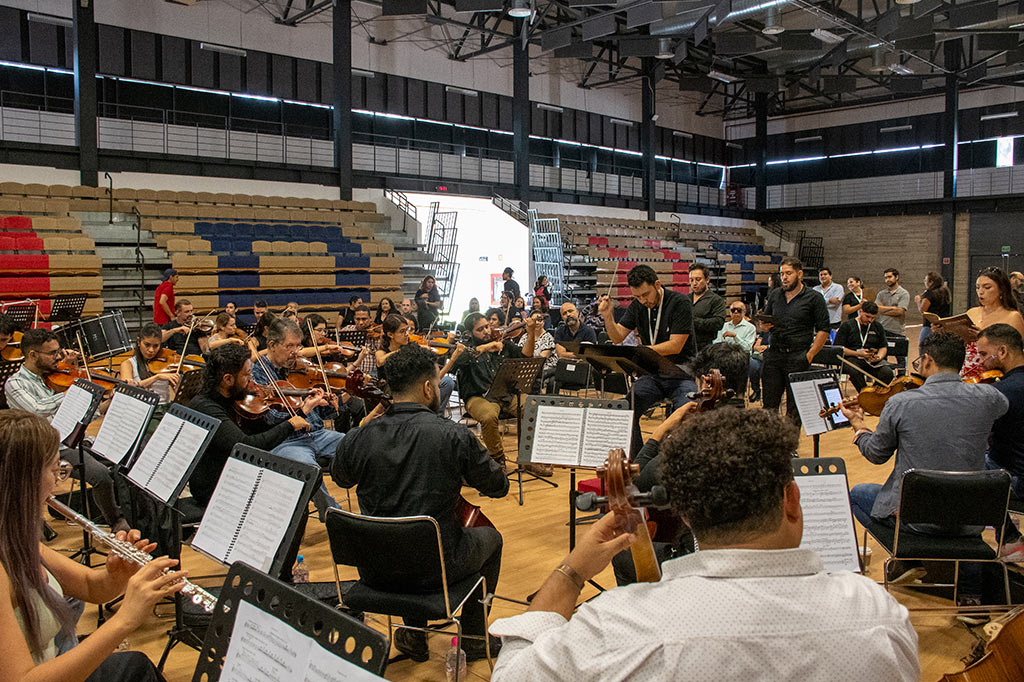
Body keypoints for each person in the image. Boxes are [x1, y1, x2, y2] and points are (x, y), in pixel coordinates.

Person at [490, 408, 919, 682]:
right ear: (792, 499)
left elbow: (513, 675)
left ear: (687, 515)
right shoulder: (879, 615)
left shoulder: (616, 627)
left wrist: (571, 573)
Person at [334, 344, 508, 663]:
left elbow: (341, 476)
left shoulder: (360, 436)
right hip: (434, 572)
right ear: (429, 388)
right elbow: (498, 486)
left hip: (374, 570)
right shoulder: (453, 436)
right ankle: (472, 639)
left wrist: (367, 426)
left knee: (405, 528)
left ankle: (414, 634)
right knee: (492, 540)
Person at [0, 410, 182, 681]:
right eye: (54, 470)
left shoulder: (14, 539)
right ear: (22, 483)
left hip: (51, 662)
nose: (57, 480)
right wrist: (124, 620)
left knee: (137, 665)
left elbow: (90, 586)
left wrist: (116, 576)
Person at [841, 332, 1008, 613]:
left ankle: (909, 558)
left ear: (928, 360)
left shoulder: (901, 403)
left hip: (917, 521)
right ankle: (971, 598)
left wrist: (859, 428)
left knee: (859, 494)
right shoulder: (990, 397)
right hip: (970, 519)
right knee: (963, 505)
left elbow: (876, 454)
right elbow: (1001, 407)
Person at [611, 341, 750, 586]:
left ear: (707, 382)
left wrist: (665, 428)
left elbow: (639, 480)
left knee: (623, 557)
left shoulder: (693, 442)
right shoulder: (764, 430)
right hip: (751, 543)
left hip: (703, 550)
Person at [5, 329, 127, 534]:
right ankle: (117, 523)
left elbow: (83, 416)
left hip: (77, 438)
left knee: (125, 462)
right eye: (52, 353)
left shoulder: (52, 378)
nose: (59, 357)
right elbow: (37, 408)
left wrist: (107, 401)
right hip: (50, 447)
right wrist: (75, 390)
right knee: (100, 476)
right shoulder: (15, 383)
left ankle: (133, 515)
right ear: (33, 355)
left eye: (58, 351)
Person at [187, 344, 310, 507]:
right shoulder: (206, 407)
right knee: (293, 495)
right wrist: (289, 425)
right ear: (228, 379)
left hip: (236, 476)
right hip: (217, 489)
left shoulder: (233, 398)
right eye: (247, 374)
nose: (252, 381)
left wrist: (300, 413)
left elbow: (261, 430)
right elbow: (246, 446)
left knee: (302, 483)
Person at [598, 265, 697, 454]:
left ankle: (675, 461)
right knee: (626, 409)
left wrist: (642, 352)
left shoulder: (679, 302)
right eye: (637, 297)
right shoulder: (638, 306)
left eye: (646, 294)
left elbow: (675, 345)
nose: (643, 300)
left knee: (687, 411)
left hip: (682, 372)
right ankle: (640, 462)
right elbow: (617, 337)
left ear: (657, 284)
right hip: (653, 373)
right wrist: (608, 317)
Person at [250, 319, 343, 519]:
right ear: (272, 345)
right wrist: (302, 408)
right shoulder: (257, 373)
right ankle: (335, 517)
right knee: (310, 469)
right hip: (286, 441)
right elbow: (268, 417)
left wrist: (329, 404)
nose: (296, 351)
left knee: (359, 445)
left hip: (318, 434)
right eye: (289, 346)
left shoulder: (299, 369)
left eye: (298, 345)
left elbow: (319, 417)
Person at [450, 312, 545, 474]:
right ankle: (497, 458)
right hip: (479, 396)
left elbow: (526, 355)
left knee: (532, 407)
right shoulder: (465, 349)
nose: (487, 331)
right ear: (470, 333)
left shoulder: (504, 344)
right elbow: (455, 364)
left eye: (487, 326)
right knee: (488, 416)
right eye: (480, 329)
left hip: (506, 393)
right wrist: (487, 347)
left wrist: (530, 334)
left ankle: (527, 458)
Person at [974, 324, 1024, 562]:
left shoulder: (1002, 391)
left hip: (1015, 477)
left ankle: (1004, 540)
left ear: (1003, 351)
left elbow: (974, 432)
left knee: (960, 468)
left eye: (984, 354)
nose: (980, 361)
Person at [761, 258, 830, 424]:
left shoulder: (814, 298)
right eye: (782, 274)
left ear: (799, 274)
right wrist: (764, 326)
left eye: (788, 273)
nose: (784, 277)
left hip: (798, 357)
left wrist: (810, 355)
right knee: (769, 405)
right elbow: (766, 321)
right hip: (774, 355)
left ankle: (790, 447)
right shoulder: (775, 294)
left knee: (794, 408)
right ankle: (768, 444)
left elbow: (824, 330)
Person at [949, 267, 1024, 381]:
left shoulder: (1012, 316)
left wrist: (984, 338)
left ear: (1002, 290)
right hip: (967, 374)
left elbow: (1017, 354)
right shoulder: (971, 313)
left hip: (995, 376)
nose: (981, 292)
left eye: (987, 287)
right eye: (978, 287)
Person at [376, 314, 459, 415]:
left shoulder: (410, 346)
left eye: (408, 330)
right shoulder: (382, 351)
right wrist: (401, 351)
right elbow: (380, 360)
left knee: (446, 382)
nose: (407, 334)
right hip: (392, 387)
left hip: (411, 383)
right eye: (402, 331)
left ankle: (437, 415)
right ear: (390, 335)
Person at [833, 301, 894, 391]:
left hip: (870, 360)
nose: (870, 320)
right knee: (854, 370)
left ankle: (872, 394)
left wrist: (879, 357)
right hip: (852, 358)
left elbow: (883, 347)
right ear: (860, 311)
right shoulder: (847, 325)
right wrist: (858, 353)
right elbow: (838, 348)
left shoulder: (878, 327)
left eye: (873, 318)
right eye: (867, 316)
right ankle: (864, 393)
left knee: (888, 373)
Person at [118, 323, 180, 405]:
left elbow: (177, 392)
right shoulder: (128, 364)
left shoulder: (166, 363)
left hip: (164, 407)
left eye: (156, 346)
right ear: (139, 342)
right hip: (139, 407)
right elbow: (126, 389)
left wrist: (178, 386)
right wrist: (156, 377)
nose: (151, 350)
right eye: (147, 345)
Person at [687, 263, 725, 350]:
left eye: (698, 279)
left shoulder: (716, 300)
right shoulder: (686, 299)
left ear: (707, 279)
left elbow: (718, 323)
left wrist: (693, 322)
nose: (694, 283)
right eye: (691, 280)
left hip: (705, 346)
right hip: (686, 345)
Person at [339, 305, 379, 377]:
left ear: (370, 318)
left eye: (364, 319)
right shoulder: (347, 330)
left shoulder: (376, 334)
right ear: (354, 319)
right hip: (350, 375)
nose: (361, 322)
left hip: (371, 376)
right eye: (358, 319)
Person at [915, 271, 951, 346]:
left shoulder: (930, 294)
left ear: (931, 282)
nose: (924, 282)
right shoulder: (945, 292)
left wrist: (918, 301)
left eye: (926, 280)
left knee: (923, 348)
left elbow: (922, 310)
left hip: (930, 326)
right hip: (943, 325)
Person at [875, 268, 910, 336]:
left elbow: (899, 312)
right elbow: (876, 309)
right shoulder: (881, 294)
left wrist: (883, 309)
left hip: (898, 331)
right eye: (885, 278)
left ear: (896, 277)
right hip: (883, 329)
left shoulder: (904, 293)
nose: (887, 279)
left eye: (890, 277)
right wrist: (893, 308)